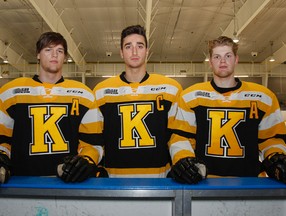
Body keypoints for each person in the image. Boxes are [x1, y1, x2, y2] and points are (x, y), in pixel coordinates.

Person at [168, 36, 286, 184]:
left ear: (236, 59)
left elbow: (270, 139)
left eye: (228, 56)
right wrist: (184, 159)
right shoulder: (190, 96)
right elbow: (182, 137)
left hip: (250, 183)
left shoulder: (263, 97)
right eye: (217, 57)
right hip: (204, 184)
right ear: (210, 62)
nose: (223, 61)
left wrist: (276, 156)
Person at [0, 32, 105, 184]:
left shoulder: (84, 95)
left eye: (59, 51)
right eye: (48, 49)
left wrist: (86, 160)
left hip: (67, 184)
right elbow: (3, 140)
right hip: (21, 183)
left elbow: (93, 144)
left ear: (65, 56)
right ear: (38, 54)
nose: (54, 55)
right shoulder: (11, 92)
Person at [92, 25, 183, 177]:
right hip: (114, 183)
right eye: (128, 46)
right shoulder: (101, 91)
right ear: (121, 52)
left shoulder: (170, 88)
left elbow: (178, 137)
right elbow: (95, 140)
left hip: (160, 183)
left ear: (147, 51)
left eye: (139, 46)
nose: (134, 51)